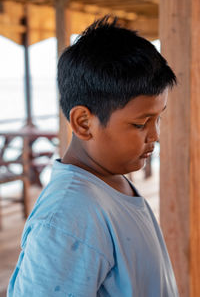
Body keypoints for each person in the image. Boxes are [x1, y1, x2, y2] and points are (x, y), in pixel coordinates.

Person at [7, 16, 179, 297]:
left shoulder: (111, 182)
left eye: (158, 118)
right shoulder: (67, 218)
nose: (155, 135)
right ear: (84, 123)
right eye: (140, 123)